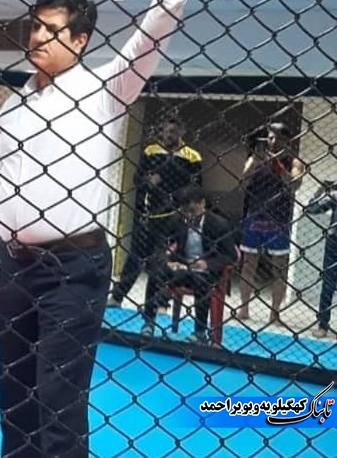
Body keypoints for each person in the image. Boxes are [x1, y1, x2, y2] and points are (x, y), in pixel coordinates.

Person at [0, 0, 208, 458]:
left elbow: (151, 37)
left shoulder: (105, 89)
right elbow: (0, 179)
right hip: (16, 265)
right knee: (14, 395)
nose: (38, 37)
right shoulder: (16, 102)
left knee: (59, 398)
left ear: (80, 40)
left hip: (74, 269)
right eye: (35, 27)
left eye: (52, 30)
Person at [109, 116, 203, 308]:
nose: (169, 135)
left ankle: (159, 303)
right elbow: (137, 179)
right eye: (166, 132)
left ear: (182, 132)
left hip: (175, 216)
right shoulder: (151, 151)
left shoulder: (192, 156)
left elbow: (197, 187)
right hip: (149, 214)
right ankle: (117, 297)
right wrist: (148, 182)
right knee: (136, 256)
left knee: (164, 260)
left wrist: (184, 204)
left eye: (173, 132)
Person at [141, 185, 236, 343]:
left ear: (202, 204)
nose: (189, 215)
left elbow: (230, 256)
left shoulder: (219, 224)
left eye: (192, 210)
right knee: (155, 275)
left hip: (207, 273)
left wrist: (207, 264)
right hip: (182, 268)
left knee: (201, 281)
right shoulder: (179, 220)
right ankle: (148, 323)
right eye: (186, 211)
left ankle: (200, 332)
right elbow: (160, 245)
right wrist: (168, 262)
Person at [237, 122, 304, 325]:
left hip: (279, 220)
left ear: (287, 141)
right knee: (249, 264)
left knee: (279, 268)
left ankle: (275, 313)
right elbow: (242, 181)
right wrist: (255, 164)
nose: (273, 142)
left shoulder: (294, 162)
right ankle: (244, 308)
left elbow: (295, 185)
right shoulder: (255, 157)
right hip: (255, 217)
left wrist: (278, 165)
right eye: (271, 137)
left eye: (278, 138)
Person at [303, 181, 337, 339]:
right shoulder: (335, 196)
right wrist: (320, 191)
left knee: (328, 284)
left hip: (333, 241)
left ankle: (323, 326)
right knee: (328, 284)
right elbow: (311, 209)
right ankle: (323, 325)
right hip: (334, 242)